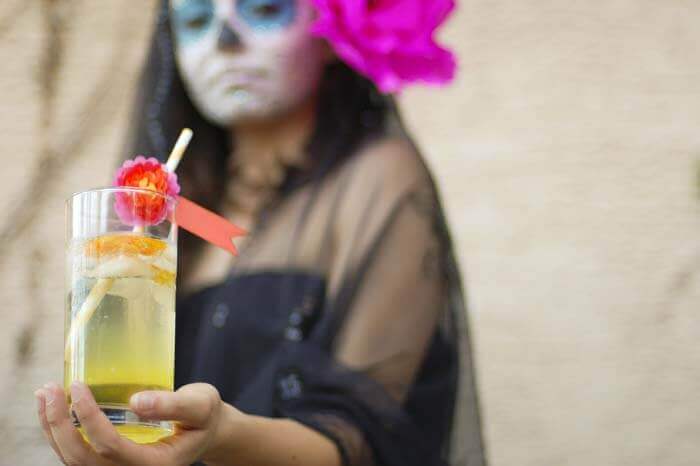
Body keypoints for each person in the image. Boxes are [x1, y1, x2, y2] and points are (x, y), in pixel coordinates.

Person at [35, 0, 486, 465]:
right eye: (194, 20)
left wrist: (222, 435)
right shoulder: (172, 219)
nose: (224, 41)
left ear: (330, 32)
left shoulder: (379, 183)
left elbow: (360, 433)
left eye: (264, 9)